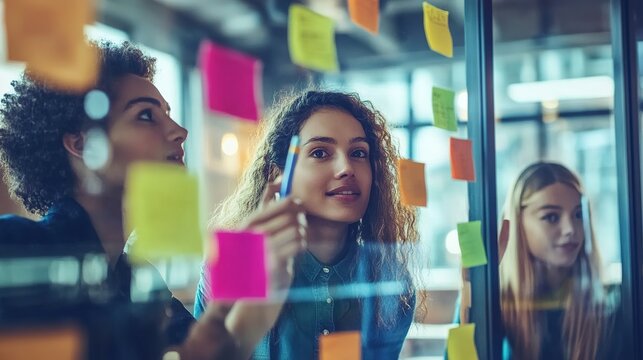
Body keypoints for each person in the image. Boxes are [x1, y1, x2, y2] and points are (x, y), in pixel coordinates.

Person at [0, 40, 305, 360]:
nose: (180, 131)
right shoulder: (17, 248)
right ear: (84, 145)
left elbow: (208, 353)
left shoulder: (141, 282)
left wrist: (265, 274)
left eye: (168, 114)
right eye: (146, 116)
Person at [194, 90, 419, 359]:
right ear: (278, 175)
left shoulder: (389, 279)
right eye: (321, 152)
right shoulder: (230, 265)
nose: (346, 167)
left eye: (359, 153)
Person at [499, 162, 620, 360]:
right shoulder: (494, 301)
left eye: (578, 215)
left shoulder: (611, 303)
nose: (570, 229)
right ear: (517, 223)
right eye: (552, 217)